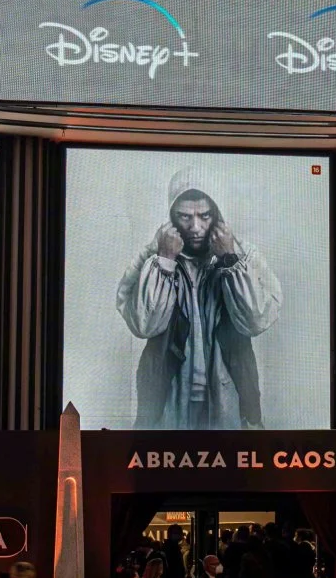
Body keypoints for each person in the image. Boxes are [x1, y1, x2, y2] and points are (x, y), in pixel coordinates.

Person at [115, 174, 281, 429]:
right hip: (167, 399)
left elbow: (256, 321)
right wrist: (165, 261)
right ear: (172, 216)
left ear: (217, 214)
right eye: (184, 216)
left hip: (229, 397)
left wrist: (229, 261)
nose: (195, 227)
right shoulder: (151, 256)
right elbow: (144, 326)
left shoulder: (244, 254)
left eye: (204, 216)